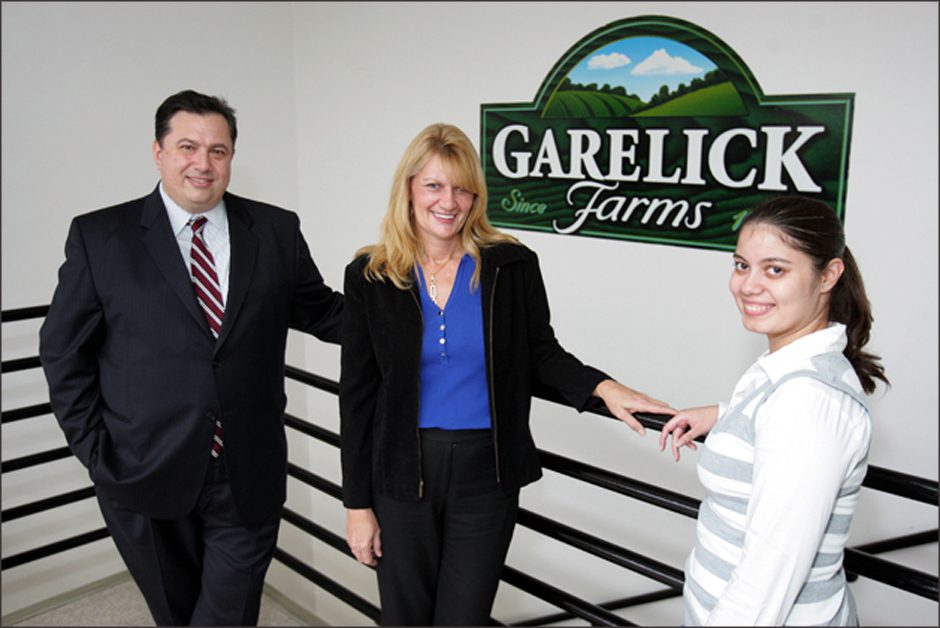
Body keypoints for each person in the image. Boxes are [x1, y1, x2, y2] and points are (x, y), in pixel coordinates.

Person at [339, 122, 675, 626]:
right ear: (408, 188)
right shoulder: (371, 273)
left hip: (487, 475)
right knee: (405, 618)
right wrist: (357, 505)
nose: (448, 200)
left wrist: (604, 388)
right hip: (401, 472)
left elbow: (541, 353)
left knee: (466, 618)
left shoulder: (511, 264)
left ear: (476, 195)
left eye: (461, 187)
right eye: (433, 185)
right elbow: (358, 395)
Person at [38, 89, 343, 626]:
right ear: (158, 152)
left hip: (247, 471)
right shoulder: (100, 237)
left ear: (231, 158)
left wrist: (416, 308)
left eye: (218, 151)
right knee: (175, 616)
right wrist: (96, 453)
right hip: (141, 474)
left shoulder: (276, 231)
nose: (203, 163)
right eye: (187, 147)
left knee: (227, 615)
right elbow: (63, 351)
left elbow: (323, 313)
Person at [659, 196, 889, 625]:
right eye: (742, 264)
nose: (747, 285)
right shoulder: (785, 377)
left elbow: (769, 579)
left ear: (829, 276)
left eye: (775, 269)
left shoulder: (806, 402)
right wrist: (727, 415)